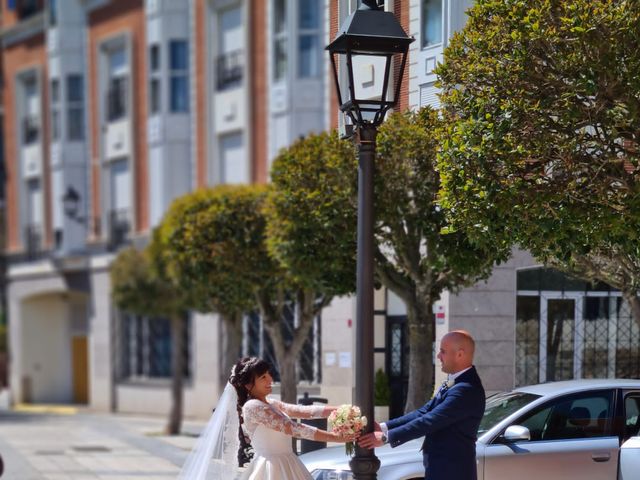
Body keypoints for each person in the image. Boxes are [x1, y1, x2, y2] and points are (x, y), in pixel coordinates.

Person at [178, 356, 356, 480]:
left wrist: (342, 409)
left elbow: (305, 411)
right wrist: (336, 437)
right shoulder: (253, 407)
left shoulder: (271, 403)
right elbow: (292, 428)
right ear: (248, 385)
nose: (270, 379)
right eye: (263, 377)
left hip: (289, 462)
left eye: (269, 374)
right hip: (271, 468)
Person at [358, 330, 485, 480]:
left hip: (453, 471)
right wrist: (384, 427)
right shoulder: (456, 382)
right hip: (440, 469)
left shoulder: (466, 389)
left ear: (460, 354)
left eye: (442, 352)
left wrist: (386, 437)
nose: (438, 356)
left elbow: (430, 420)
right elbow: (423, 412)